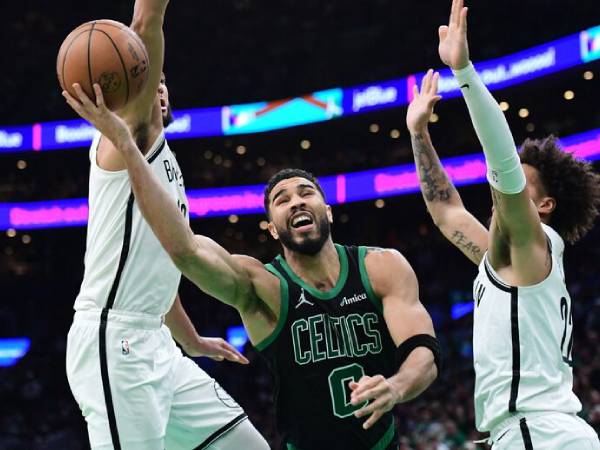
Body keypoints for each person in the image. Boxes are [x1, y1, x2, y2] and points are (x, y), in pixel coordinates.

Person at [63, 82, 441, 449]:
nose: (295, 202)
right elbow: (182, 250)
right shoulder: (261, 286)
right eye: (281, 199)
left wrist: (396, 386)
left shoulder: (381, 267)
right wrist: (129, 147)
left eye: (306, 193)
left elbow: (422, 353)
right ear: (273, 229)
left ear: (328, 211)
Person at [64, 1, 268, 449]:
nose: (158, 90)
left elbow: (159, 268)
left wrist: (190, 339)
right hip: (114, 344)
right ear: (126, 89)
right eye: (147, 79)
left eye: (162, 83)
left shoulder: (162, 162)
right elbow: (144, 24)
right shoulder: (122, 145)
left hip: (157, 340)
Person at [406, 1, 600, 448]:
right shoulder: (508, 258)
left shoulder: (534, 243)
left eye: (521, 187)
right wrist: (419, 134)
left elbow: (503, 163)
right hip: (540, 432)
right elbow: (446, 212)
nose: (504, 195)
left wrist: (465, 73)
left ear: (545, 205)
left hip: (538, 431)